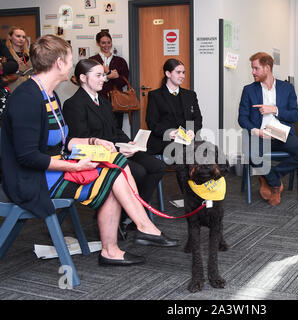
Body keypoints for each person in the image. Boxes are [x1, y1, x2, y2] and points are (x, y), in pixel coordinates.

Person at [1, 35, 178, 268]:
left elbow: (62, 142)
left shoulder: (47, 94)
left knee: (114, 164)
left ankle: (130, 236)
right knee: (113, 178)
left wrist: (93, 141)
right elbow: (28, 157)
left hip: (52, 167)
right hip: (32, 179)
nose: (72, 64)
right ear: (59, 63)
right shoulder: (26, 98)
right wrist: (74, 166)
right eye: (70, 59)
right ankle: (129, 236)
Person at [63, 58, 166, 235]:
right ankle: (123, 215)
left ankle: (129, 214)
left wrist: (128, 142)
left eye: (103, 75)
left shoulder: (103, 101)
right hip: (98, 156)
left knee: (157, 166)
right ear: (83, 78)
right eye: (98, 75)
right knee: (138, 171)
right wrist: (118, 150)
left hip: (116, 150)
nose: (104, 79)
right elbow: (82, 139)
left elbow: (115, 129)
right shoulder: (74, 104)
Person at [238, 52, 298, 206]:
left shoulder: (287, 88)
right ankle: (276, 185)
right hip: (259, 135)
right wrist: (257, 131)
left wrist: (274, 110)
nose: (253, 72)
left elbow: (294, 115)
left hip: (281, 135)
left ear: (267, 68)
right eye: (252, 68)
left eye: (256, 68)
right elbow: (242, 118)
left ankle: (270, 177)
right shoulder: (249, 90)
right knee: (252, 155)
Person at [146, 58, 203, 155]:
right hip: (165, 141)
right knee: (184, 154)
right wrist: (168, 133)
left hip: (187, 141)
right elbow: (152, 122)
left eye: (183, 72)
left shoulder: (190, 95)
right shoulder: (155, 95)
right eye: (178, 72)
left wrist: (192, 131)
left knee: (207, 151)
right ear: (168, 74)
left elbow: (197, 118)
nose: (182, 76)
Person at [90, 31, 129, 129]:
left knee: (116, 129)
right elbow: (90, 82)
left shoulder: (120, 61)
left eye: (108, 42)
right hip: (97, 100)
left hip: (116, 102)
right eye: (103, 43)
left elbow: (123, 83)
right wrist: (108, 75)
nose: (106, 45)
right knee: (99, 129)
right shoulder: (92, 60)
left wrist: (113, 76)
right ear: (98, 43)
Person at [5, 26, 33, 92]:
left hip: (28, 88)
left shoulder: (28, 54)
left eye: (23, 37)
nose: (21, 39)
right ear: (10, 37)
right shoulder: (6, 54)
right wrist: (14, 66)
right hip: (12, 88)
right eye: (18, 36)